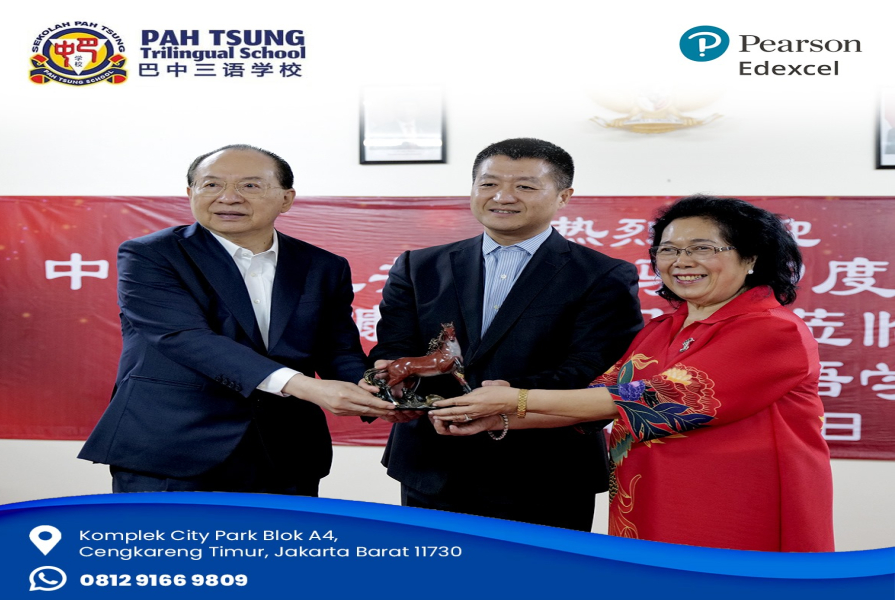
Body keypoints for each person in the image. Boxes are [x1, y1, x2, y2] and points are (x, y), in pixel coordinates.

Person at [431, 195, 835, 552]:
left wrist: (516, 398)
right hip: (650, 501)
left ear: (752, 258)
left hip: (735, 506)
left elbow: (654, 400)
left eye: (702, 248)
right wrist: (499, 418)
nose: (681, 261)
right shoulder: (663, 328)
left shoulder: (771, 329)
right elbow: (595, 402)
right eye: (668, 249)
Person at [79, 144, 395, 494]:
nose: (228, 198)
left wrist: (377, 392)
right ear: (191, 193)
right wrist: (306, 387)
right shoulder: (151, 255)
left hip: (287, 452)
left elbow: (336, 349)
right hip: (172, 449)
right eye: (212, 185)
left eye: (250, 185)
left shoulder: (323, 266)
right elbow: (185, 338)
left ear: (286, 199)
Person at [365, 138, 644, 530]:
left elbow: (592, 370)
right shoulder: (418, 266)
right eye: (489, 183)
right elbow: (395, 346)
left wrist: (500, 401)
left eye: (524, 186)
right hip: (433, 463)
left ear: (564, 196)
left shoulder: (603, 275)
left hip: (544, 471)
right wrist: (394, 379)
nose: (502, 196)